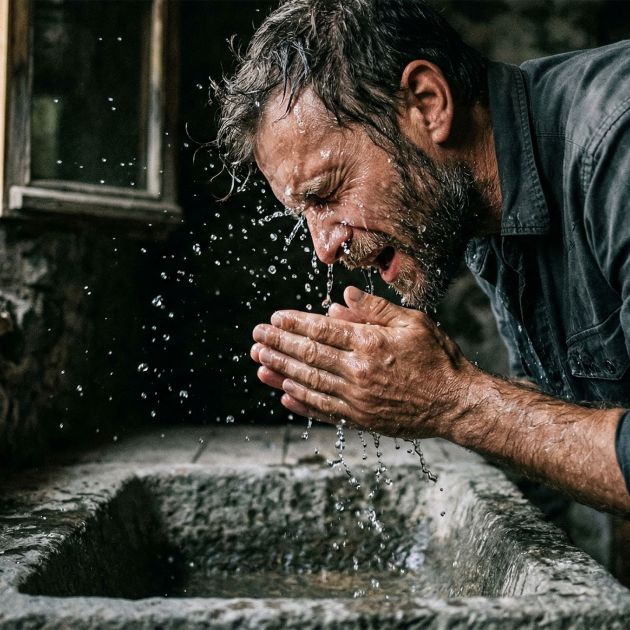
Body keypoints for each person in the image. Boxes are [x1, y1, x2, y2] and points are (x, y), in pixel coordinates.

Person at [214, 0, 630, 515]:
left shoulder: (617, 146)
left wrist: (449, 399)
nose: (325, 247)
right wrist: (401, 395)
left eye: (325, 194)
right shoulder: (477, 203)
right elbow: (557, 412)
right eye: (305, 216)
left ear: (427, 104)